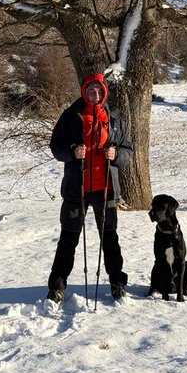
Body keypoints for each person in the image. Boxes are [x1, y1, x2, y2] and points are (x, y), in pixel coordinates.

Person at [46, 71, 132, 303]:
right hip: (77, 189)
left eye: (98, 91)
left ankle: (117, 282)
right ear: (84, 92)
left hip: (106, 189)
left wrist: (116, 155)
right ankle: (57, 286)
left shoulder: (115, 118)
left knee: (110, 238)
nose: (94, 94)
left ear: (104, 93)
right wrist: (73, 152)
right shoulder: (71, 115)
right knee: (69, 238)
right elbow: (56, 146)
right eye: (90, 91)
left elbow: (128, 151)